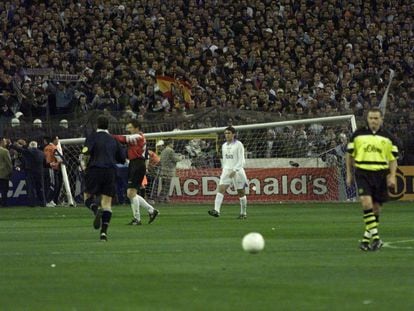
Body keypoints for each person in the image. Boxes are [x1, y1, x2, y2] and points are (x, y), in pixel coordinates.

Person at [346, 107, 399, 251]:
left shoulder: (388, 137)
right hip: (363, 172)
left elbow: (393, 159)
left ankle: (365, 240)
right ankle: (376, 238)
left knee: (375, 209)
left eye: (376, 118)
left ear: (381, 119)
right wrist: (349, 174)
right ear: (367, 119)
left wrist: (392, 175)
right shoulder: (358, 134)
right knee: (365, 202)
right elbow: (350, 155)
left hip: (381, 174)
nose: (373, 121)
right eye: (371, 118)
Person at [82, 115, 126, 241]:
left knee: (87, 197)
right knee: (107, 203)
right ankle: (103, 234)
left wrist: (85, 166)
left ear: (97, 125)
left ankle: (95, 210)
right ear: (108, 126)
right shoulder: (113, 140)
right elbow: (122, 159)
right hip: (110, 171)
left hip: (95, 169)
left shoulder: (92, 137)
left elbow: (85, 152)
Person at [112, 119, 159, 225]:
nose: (129, 129)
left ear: (136, 128)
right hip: (134, 164)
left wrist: (106, 136)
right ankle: (151, 211)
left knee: (131, 193)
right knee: (131, 193)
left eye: (130, 127)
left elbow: (122, 138)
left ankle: (138, 219)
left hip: (138, 164)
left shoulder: (138, 136)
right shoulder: (136, 138)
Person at [208, 126, 248, 219]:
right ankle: (216, 210)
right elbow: (225, 160)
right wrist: (224, 170)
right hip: (226, 170)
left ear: (233, 134)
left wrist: (235, 170)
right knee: (221, 189)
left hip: (237, 171)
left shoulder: (239, 144)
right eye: (225, 133)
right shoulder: (224, 146)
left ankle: (243, 213)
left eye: (229, 133)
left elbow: (242, 160)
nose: (227, 135)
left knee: (241, 193)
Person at [10, 140, 47, 207]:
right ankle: (43, 202)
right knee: (40, 188)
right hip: (40, 172)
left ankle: (32, 203)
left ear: (30, 146)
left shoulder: (29, 152)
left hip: (31, 172)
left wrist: (11, 145)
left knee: (31, 187)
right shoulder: (42, 153)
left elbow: (19, 149)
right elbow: (45, 163)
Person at [159, 139, 183, 203]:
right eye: (172, 143)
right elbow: (175, 159)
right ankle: (162, 199)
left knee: (164, 185)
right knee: (167, 186)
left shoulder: (163, 150)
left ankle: (165, 199)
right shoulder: (170, 150)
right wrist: (181, 157)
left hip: (163, 170)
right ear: (169, 144)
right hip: (169, 171)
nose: (173, 145)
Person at [44, 136, 64, 207]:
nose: (58, 141)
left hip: (54, 168)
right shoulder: (50, 148)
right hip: (51, 169)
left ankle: (51, 200)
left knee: (56, 185)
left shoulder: (53, 148)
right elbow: (48, 160)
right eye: (57, 139)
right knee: (52, 185)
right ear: (54, 140)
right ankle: (48, 201)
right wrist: (51, 163)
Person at [0, 137, 13, 207]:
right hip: (3, 174)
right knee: (4, 190)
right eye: (5, 141)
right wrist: (10, 172)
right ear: (1, 142)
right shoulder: (5, 151)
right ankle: (3, 204)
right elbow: (9, 163)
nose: (6, 143)